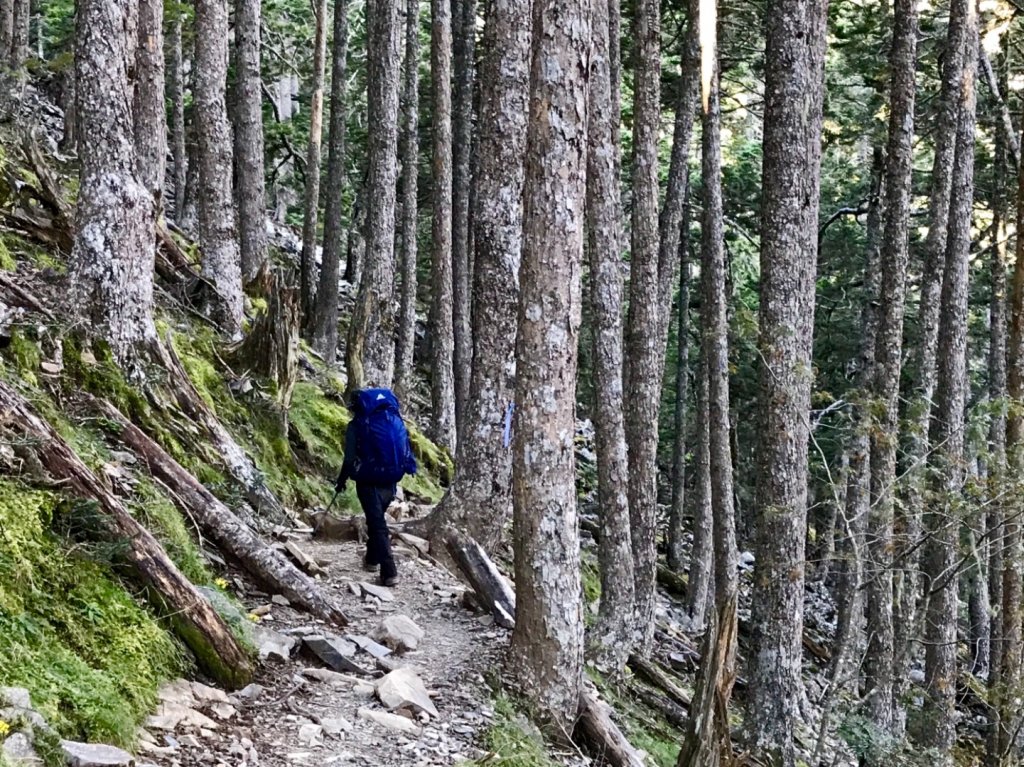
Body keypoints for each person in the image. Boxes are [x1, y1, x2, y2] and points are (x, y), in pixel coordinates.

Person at [335, 388, 417, 587]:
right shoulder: (392, 420)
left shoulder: (356, 426)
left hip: (368, 480)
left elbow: (349, 459)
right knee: (376, 520)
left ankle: (389, 572)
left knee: (378, 524)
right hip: (391, 479)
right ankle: (372, 560)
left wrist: (341, 481)